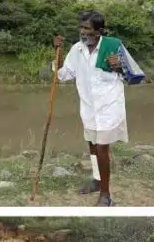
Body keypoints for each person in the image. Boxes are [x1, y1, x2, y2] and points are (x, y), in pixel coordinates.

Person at [53, 10, 143, 207]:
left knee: (102, 148)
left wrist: (119, 66)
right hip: (88, 107)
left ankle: (105, 195)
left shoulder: (113, 46)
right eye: (81, 27)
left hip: (109, 106)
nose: (83, 32)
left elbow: (134, 76)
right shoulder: (77, 49)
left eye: (87, 28)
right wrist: (57, 53)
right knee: (93, 145)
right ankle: (97, 180)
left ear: (99, 31)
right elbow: (63, 74)